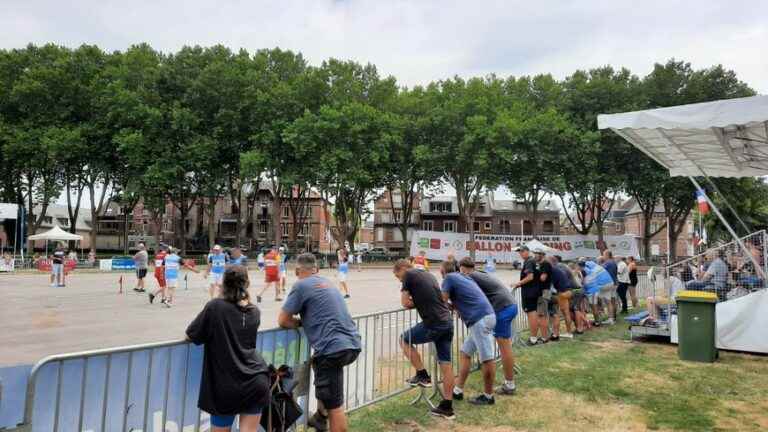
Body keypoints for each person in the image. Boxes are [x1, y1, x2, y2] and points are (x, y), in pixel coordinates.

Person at [278, 253, 361, 432]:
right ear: (316, 269)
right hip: (351, 343)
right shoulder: (327, 283)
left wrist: (300, 323)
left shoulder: (300, 285)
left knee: (335, 405)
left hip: (332, 349)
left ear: (297, 270)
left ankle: (326, 416)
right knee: (319, 366)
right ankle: (320, 418)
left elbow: (283, 320)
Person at [186, 266, 270, 432]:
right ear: (247, 283)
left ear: (223, 284)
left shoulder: (215, 307)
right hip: (256, 380)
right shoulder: (254, 311)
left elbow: (192, 334)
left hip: (225, 385)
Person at [393, 259, 456, 419]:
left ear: (402, 269)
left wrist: (415, 302)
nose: (399, 279)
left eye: (397, 275)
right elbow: (435, 297)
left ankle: (422, 374)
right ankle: (447, 407)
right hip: (447, 322)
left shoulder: (409, 275)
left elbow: (405, 302)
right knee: (446, 364)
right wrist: (420, 301)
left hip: (434, 323)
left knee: (404, 339)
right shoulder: (428, 274)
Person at [440, 260, 496, 405]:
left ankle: (488, 396)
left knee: (487, 358)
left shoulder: (449, 278)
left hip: (479, 320)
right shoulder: (463, 277)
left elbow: (442, 301)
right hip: (484, 316)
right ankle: (458, 390)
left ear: (443, 271)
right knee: (465, 353)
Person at [459, 257, 518, 395]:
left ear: (463, 268)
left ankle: (510, 385)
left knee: (504, 347)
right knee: (505, 346)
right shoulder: (480, 273)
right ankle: (507, 381)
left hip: (502, 308)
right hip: (508, 305)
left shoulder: (471, 276)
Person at [513, 245, 545, 345]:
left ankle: (533, 339)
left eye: (522, 251)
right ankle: (535, 337)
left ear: (528, 251)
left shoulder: (529, 261)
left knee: (532, 315)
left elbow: (530, 277)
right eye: (519, 252)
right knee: (534, 314)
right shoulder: (533, 261)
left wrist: (518, 283)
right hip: (535, 291)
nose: (521, 253)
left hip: (530, 293)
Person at [581, 260, 615, 325]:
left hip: (602, 285)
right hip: (610, 282)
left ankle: (598, 317)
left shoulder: (589, 269)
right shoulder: (598, 267)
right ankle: (611, 319)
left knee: (594, 300)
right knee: (608, 302)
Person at [548, 255, 574, 340]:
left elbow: (551, 286)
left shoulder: (552, 271)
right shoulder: (560, 270)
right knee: (566, 313)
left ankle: (555, 334)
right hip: (568, 291)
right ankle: (569, 333)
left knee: (556, 315)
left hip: (561, 293)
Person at [602, 250, 619, 320]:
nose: (603, 256)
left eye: (603, 255)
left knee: (608, 302)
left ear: (607, 255)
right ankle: (614, 317)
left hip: (609, 284)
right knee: (613, 300)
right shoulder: (614, 262)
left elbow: (600, 271)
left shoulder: (607, 263)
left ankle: (610, 318)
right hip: (614, 283)